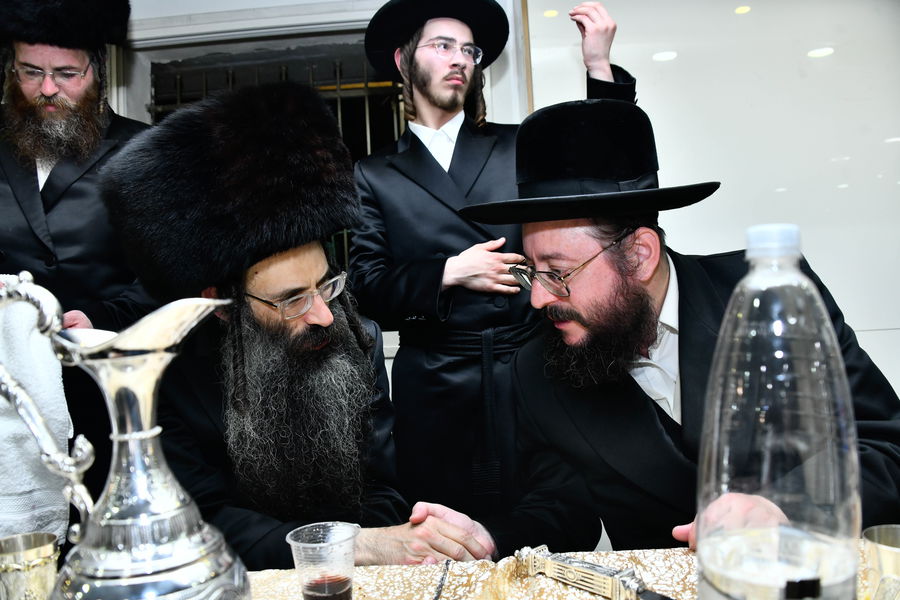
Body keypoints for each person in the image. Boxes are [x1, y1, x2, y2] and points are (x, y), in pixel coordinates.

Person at [449, 98, 900, 556]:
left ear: (640, 255)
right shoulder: (537, 369)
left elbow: (886, 446)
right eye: (532, 271)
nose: (538, 298)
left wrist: (787, 509)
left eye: (559, 273)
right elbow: (563, 508)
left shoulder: (775, 299)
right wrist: (486, 539)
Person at [100, 81, 496, 570]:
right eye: (292, 299)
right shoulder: (162, 375)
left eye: (326, 284)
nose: (324, 314)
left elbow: (381, 487)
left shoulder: (356, 339)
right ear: (221, 305)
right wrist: (353, 547)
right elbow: (201, 520)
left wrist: (384, 541)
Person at [349, 0, 636, 520]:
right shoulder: (373, 173)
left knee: (551, 520)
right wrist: (449, 272)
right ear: (403, 60)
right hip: (433, 387)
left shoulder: (518, 143)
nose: (459, 58)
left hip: (531, 368)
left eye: (469, 49)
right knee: (446, 532)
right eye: (442, 45)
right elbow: (366, 287)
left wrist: (599, 66)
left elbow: (607, 174)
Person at [0, 0, 156, 500]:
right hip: (11, 395)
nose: (48, 89)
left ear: (97, 70)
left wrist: (99, 317)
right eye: (31, 72)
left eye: (66, 74)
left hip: (109, 390)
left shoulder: (145, 150)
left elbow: (171, 278)